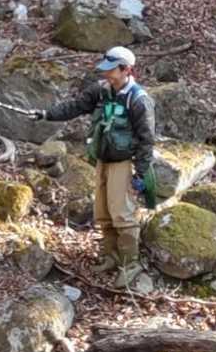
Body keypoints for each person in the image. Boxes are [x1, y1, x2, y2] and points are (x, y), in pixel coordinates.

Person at [31, 46, 158, 285]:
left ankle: (130, 263)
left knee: (122, 214)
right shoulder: (101, 91)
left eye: (111, 70)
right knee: (103, 212)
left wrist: (140, 173)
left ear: (126, 70)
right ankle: (110, 256)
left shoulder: (139, 100)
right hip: (102, 160)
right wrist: (46, 114)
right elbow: (74, 107)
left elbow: (147, 140)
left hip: (124, 163)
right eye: (105, 69)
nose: (106, 74)